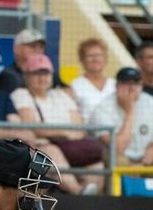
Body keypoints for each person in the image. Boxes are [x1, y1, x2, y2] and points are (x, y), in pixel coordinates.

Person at [11, 53, 100, 193]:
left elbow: (80, 126)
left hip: (70, 147)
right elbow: (31, 126)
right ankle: (78, 194)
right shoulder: (21, 94)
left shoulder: (61, 95)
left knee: (97, 166)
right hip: (39, 147)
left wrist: (68, 135)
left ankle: (92, 204)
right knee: (51, 151)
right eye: (36, 73)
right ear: (26, 76)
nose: (42, 78)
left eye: (45, 73)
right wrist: (63, 133)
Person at [91, 66, 153, 167]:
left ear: (141, 86)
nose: (132, 88)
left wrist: (143, 164)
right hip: (117, 157)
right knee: (120, 162)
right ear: (116, 86)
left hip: (144, 161)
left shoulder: (152, 103)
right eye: (126, 84)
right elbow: (119, 148)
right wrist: (130, 112)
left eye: (136, 84)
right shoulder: (103, 108)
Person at [0, 28, 65, 95]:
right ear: (17, 49)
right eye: (33, 46)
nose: (38, 51)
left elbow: (68, 91)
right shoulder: (8, 76)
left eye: (41, 47)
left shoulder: (48, 73)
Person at [70, 38, 115, 120]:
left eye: (98, 55)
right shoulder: (75, 86)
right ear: (82, 60)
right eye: (90, 56)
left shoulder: (115, 84)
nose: (95, 59)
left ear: (105, 58)